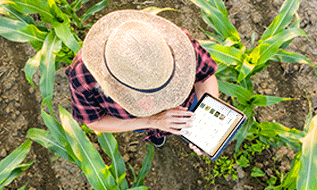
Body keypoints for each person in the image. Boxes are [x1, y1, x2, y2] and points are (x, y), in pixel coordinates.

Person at [66, 9, 219, 150]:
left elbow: (204, 77)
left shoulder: (179, 43)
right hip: (139, 121)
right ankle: (155, 135)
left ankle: (161, 134)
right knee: (149, 130)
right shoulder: (83, 76)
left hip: (186, 108)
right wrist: (152, 121)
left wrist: (205, 121)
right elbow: (95, 122)